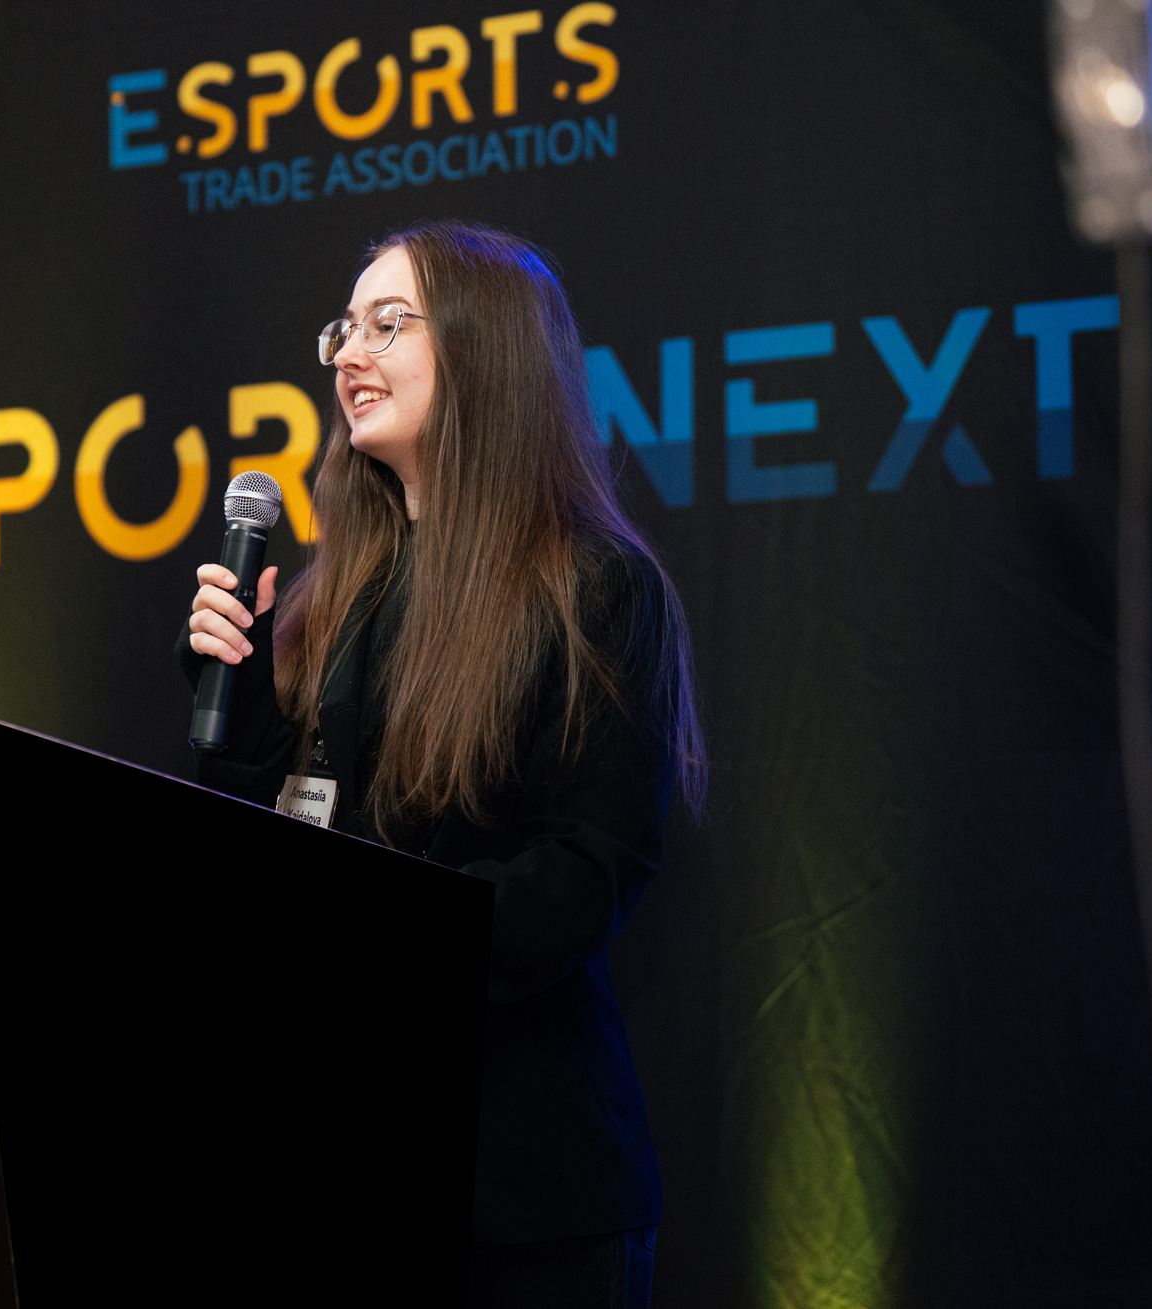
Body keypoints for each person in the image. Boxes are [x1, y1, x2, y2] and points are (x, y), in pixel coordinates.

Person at [177, 220, 706, 1309]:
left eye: (388, 324)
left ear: (484, 348)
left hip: (522, 1197)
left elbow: (582, 874)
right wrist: (234, 707)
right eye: (342, 329)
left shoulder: (596, 588)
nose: (347, 354)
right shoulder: (332, 594)